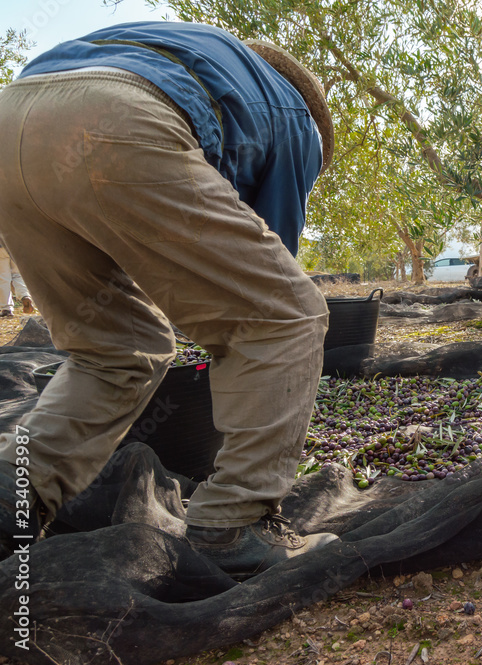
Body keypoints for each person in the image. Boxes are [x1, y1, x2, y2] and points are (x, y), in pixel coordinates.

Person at [0, 21, 340, 579]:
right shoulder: (294, 116)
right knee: (288, 317)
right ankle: (236, 523)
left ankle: (13, 501)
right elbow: (268, 267)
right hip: (118, 120)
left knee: (114, 349)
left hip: (16, 122)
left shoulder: (195, 58)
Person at [0, 241, 34, 316]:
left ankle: (6, 309)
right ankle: (24, 295)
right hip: (14, 245)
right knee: (17, 275)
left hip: (1, 247)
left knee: (3, 278)